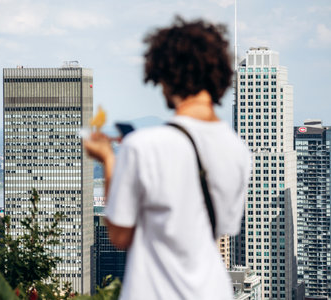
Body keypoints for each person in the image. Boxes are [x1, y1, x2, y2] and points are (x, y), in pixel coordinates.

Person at [84, 16, 251, 300]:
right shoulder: (238, 150)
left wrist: (109, 161)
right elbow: (223, 227)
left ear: (166, 75)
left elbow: (120, 236)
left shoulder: (144, 146)